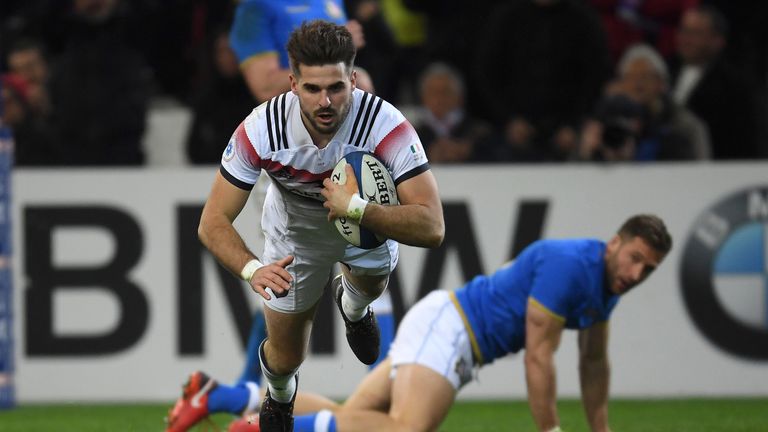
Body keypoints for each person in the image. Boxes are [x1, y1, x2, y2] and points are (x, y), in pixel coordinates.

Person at [166, 20, 444, 432]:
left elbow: (433, 226)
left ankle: (353, 304)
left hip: (364, 223)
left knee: (369, 287)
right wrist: (252, 269)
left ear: (353, 79)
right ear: (293, 83)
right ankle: (280, 395)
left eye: (336, 87)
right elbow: (212, 222)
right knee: (284, 354)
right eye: (312, 89)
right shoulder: (262, 129)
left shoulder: (385, 125)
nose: (325, 101)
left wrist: (358, 209)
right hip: (295, 238)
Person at [230, 214, 672, 432]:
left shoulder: (608, 284)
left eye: (647, 270)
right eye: (635, 259)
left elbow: (594, 363)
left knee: (356, 419)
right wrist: (551, 431)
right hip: (452, 330)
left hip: (451, 332)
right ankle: (254, 430)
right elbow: (539, 357)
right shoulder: (573, 265)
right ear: (614, 243)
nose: (636, 274)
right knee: (406, 429)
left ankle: (249, 414)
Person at [669, 5, 766, 160]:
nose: (685, 39)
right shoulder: (666, 72)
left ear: (717, 41)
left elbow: (747, 139)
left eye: (696, 33)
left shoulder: (735, 86)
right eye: (683, 30)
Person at [229, 0, 364, 103]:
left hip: (340, 121)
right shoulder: (255, 9)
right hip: (288, 124)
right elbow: (266, 87)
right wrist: (333, 49)